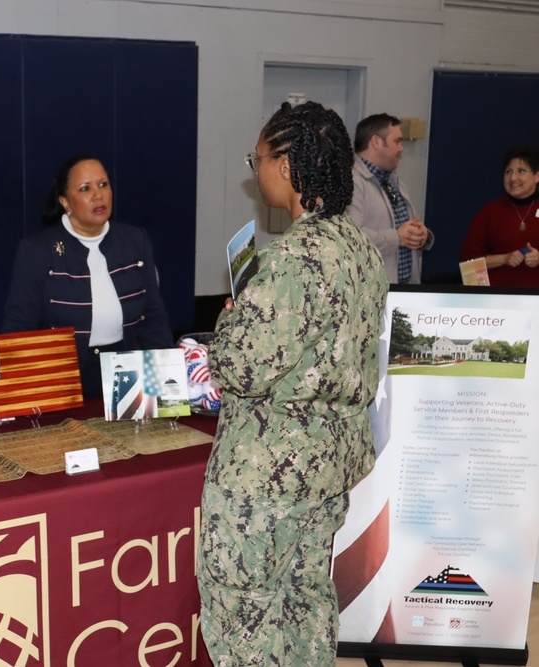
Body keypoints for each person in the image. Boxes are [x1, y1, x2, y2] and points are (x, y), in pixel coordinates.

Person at [196, 102, 387, 666]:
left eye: (256, 159)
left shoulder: (293, 257)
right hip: (327, 465)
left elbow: (238, 367)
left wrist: (232, 320)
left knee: (246, 614)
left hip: (268, 475)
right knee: (304, 602)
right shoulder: (357, 247)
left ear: (285, 163)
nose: (255, 171)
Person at [1, 155, 173, 396]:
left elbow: (154, 318)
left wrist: (170, 384)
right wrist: (15, 392)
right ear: (65, 202)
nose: (98, 195)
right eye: (85, 189)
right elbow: (19, 327)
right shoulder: (37, 250)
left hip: (127, 376)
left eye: (103, 184)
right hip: (60, 380)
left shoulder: (135, 241)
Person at [348, 113, 433, 284]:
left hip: (403, 290)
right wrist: (397, 237)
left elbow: (406, 227)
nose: (401, 149)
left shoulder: (394, 181)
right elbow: (350, 237)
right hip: (371, 293)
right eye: (397, 141)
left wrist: (422, 236)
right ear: (377, 142)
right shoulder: (351, 182)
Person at [460, 146, 539, 286]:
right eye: (508, 171)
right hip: (496, 299)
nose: (513, 178)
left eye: (521, 171)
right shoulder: (490, 212)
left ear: (537, 176)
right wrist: (504, 259)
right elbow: (468, 264)